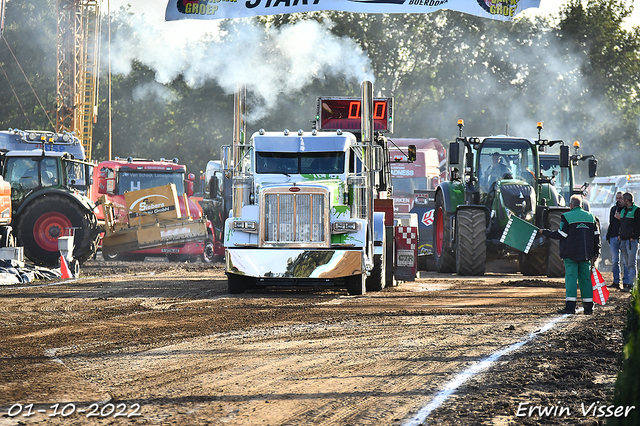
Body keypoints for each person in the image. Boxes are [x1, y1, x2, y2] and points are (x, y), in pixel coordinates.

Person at [540, 195, 601, 314]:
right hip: (586, 254)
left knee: (571, 278)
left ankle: (570, 307)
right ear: (582, 205)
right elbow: (596, 237)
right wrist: (596, 252)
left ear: (571, 205)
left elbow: (562, 234)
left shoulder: (566, 216)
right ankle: (589, 307)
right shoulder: (591, 217)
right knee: (585, 279)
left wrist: (545, 232)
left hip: (570, 254)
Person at [606, 192, 629, 289]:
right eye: (617, 198)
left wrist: (620, 218)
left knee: (625, 261)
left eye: (620, 198)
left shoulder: (627, 210)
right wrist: (608, 236)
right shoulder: (613, 209)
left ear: (624, 200)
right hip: (613, 237)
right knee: (615, 260)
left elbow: (628, 224)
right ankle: (616, 281)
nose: (618, 200)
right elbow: (611, 223)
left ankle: (626, 282)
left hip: (623, 238)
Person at [619, 192, 640, 291]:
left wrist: (634, 236)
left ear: (626, 201)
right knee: (627, 263)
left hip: (631, 241)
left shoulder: (637, 210)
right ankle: (628, 283)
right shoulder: (623, 211)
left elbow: (639, 225)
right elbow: (622, 225)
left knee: (631, 263)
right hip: (623, 240)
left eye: (622, 199)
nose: (620, 201)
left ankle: (632, 285)